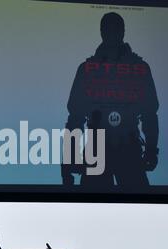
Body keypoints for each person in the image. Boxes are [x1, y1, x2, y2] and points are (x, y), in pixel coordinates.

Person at [62, 12, 159, 189]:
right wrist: (69, 160)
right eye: (109, 29)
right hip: (104, 149)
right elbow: (75, 118)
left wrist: (152, 150)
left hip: (123, 147)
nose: (112, 33)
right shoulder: (89, 69)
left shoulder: (89, 69)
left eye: (115, 29)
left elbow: (150, 114)